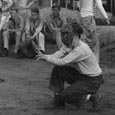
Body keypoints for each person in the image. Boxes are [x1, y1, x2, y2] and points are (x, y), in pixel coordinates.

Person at [36, 22, 104, 112]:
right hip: (81, 76)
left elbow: (62, 62)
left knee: (65, 95)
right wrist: (45, 56)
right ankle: (58, 101)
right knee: (58, 70)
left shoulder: (81, 49)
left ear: (75, 36)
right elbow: (60, 53)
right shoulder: (71, 43)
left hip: (92, 81)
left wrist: (46, 58)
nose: (65, 36)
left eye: (68, 34)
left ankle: (93, 97)